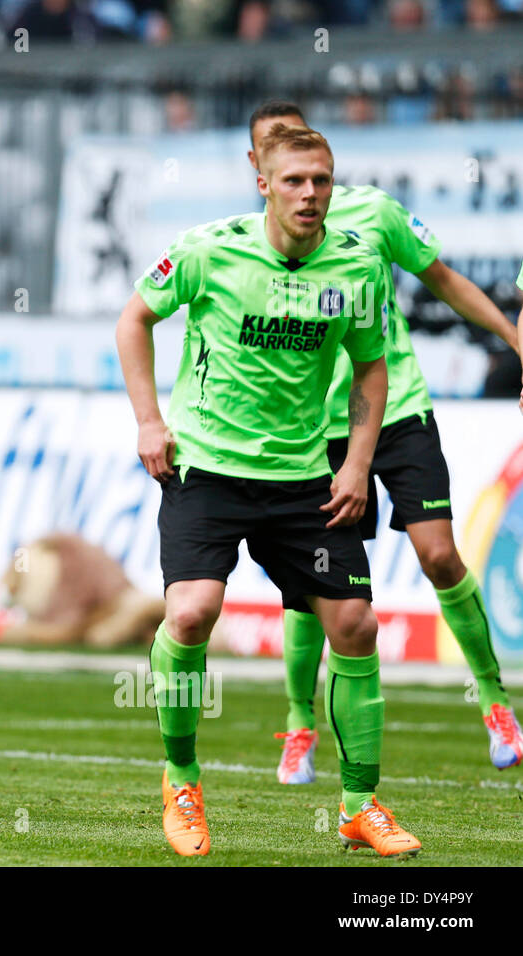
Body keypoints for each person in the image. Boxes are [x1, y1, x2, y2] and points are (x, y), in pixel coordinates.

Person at [117, 124, 421, 857]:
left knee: (355, 625)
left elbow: (371, 368)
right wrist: (150, 421)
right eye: (294, 180)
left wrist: (356, 465)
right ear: (264, 184)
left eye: (321, 179)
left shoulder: (356, 268)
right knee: (190, 613)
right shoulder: (207, 250)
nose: (310, 193)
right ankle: (182, 779)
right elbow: (134, 320)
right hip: (207, 471)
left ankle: (359, 805)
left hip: (303, 479)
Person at [247, 101, 523, 780]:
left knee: (438, 554)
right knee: (315, 587)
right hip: (314, 430)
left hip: (396, 409)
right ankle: (299, 725)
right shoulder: (242, 248)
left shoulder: (375, 213)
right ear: (258, 168)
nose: (305, 185)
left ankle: (495, 701)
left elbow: (444, 278)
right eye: (274, 152)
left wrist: (516, 339)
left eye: (309, 162)